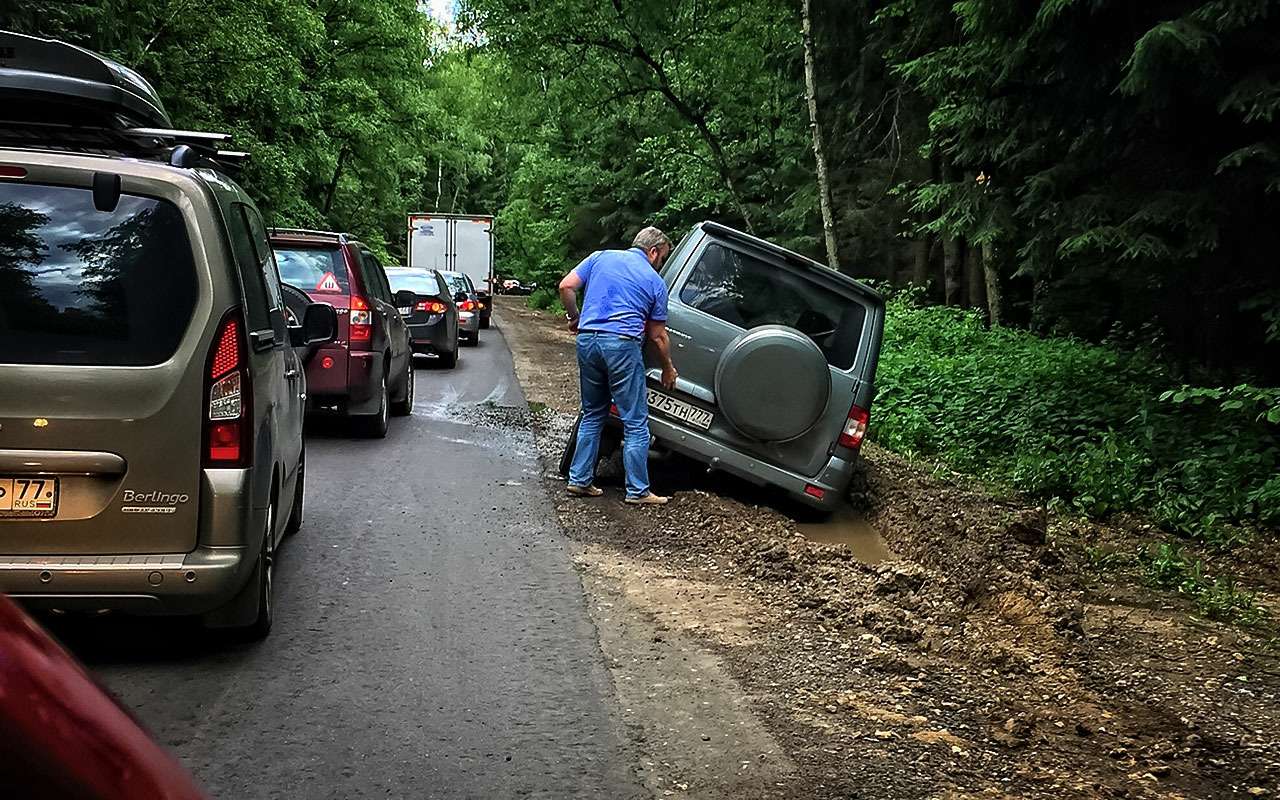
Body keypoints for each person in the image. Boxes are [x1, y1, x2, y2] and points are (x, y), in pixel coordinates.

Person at [559, 226, 678, 505]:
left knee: (592, 413)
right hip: (622, 345)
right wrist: (668, 368)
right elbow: (657, 335)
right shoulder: (654, 281)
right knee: (635, 422)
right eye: (662, 259)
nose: (660, 265)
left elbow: (566, 286)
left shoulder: (600, 257)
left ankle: (579, 481)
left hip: (588, 341)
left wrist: (574, 317)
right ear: (653, 251)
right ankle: (638, 491)